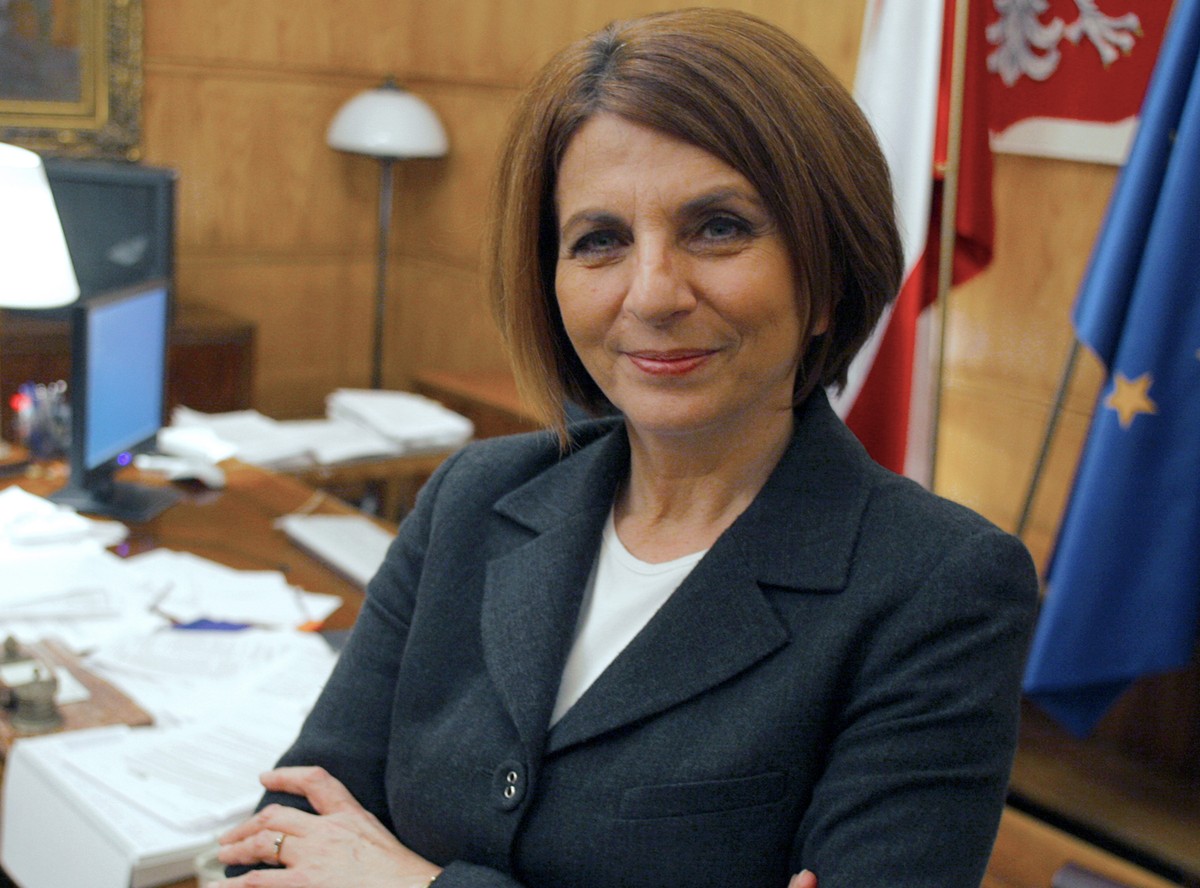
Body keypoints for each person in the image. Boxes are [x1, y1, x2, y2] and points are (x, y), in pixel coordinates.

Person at [216, 9, 1037, 887]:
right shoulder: (474, 497)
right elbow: (278, 844)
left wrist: (414, 882)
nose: (652, 294)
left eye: (718, 227)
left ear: (828, 275)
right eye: (600, 240)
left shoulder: (938, 588)